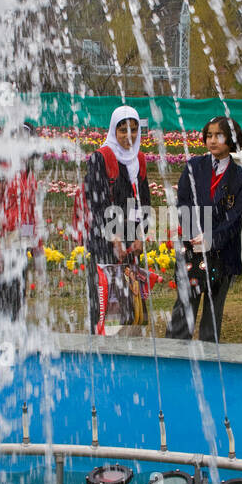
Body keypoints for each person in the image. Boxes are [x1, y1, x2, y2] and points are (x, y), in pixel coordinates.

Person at [167, 115, 242, 342]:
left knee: (213, 312)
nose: (213, 140)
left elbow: (236, 216)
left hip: (223, 253)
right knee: (185, 305)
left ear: (232, 139)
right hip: (193, 249)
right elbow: (182, 201)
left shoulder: (241, 177)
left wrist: (212, 238)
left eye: (219, 135)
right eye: (209, 135)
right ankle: (173, 355)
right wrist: (195, 234)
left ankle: (208, 360)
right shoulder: (194, 167)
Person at [83, 105, 152, 333]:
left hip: (130, 242)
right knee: (104, 298)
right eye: (123, 130)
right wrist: (115, 239)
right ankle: (100, 347)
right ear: (113, 130)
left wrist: (141, 236)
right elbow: (97, 202)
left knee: (130, 300)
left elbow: (143, 200)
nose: (129, 136)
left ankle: (127, 349)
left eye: (134, 130)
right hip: (105, 241)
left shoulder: (138, 159)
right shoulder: (100, 159)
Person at [0, 122, 42, 320]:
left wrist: (36, 248)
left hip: (19, 247)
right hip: (0, 246)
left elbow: (31, 213)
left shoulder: (28, 176)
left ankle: (14, 334)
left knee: (16, 299)